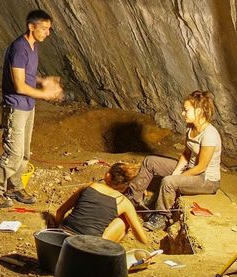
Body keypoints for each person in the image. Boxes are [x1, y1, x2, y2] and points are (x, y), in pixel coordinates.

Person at [0, 9, 64, 207]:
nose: (48, 33)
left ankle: (14, 187)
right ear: (32, 27)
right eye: (45, 28)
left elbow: (26, 74)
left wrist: (43, 80)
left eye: (49, 29)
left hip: (28, 106)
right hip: (15, 106)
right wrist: (46, 94)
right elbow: (19, 85)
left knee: (24, 152)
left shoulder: (33, 46)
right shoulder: (19, 48)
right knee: (13, 152)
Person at [127, 90, 222, 232]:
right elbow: (186, 154)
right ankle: (132, 199)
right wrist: (177, 170)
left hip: (207, 180)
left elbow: (201, 167)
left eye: (186, 110)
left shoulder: (209, 135)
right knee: (150, 161)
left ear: (200, 110)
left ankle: (161, 216)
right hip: (191, 169)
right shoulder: (191, 128)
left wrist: (176, 177)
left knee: (169, 181)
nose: (183, 113)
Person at [54, 162, 150, 244]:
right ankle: (104, 255)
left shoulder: (90, 186)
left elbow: (60, 212)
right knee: (124, 221)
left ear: (107, 176)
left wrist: (55, 229)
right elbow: (143, 240)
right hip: (88, 247)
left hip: (63, 238)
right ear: (125, 185)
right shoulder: (124, 202)